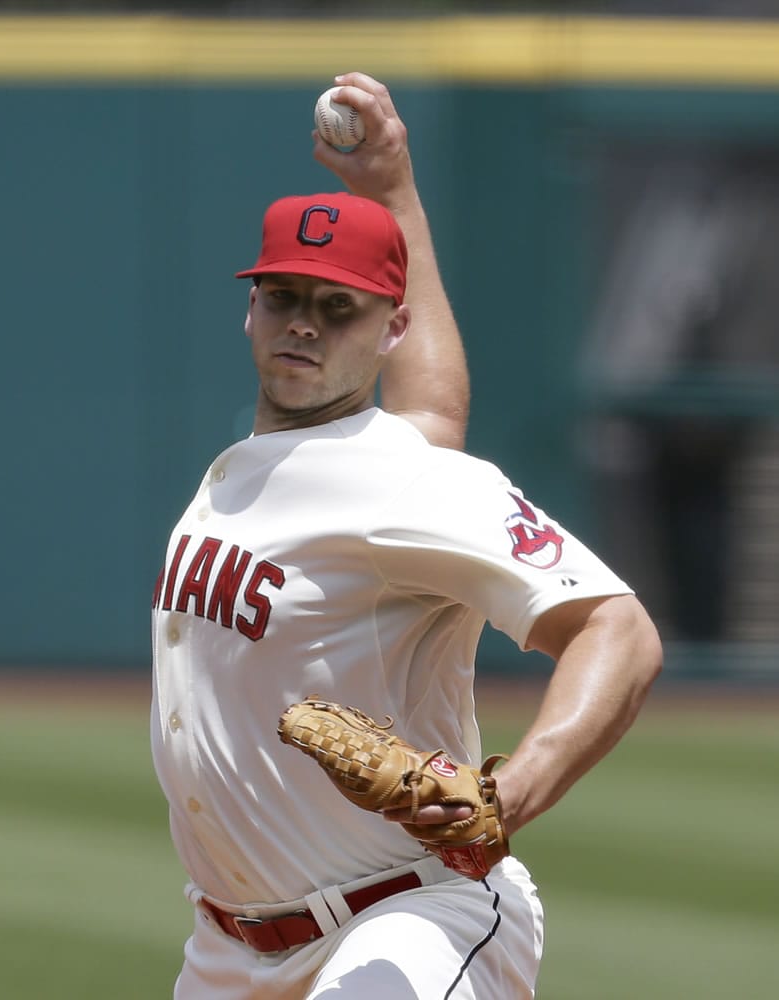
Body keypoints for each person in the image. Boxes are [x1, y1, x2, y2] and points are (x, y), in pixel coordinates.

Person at [150, 72, 663, 1000]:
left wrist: (509, 794)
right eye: (283, 296)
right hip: (227, 951)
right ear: (249, 307)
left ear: (391, 327)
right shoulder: (264, 459)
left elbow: (615, 631)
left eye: (338, 305)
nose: (304, 320)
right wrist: (387, 189)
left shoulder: (407, 481)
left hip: (408, 916)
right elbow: (429, 409)